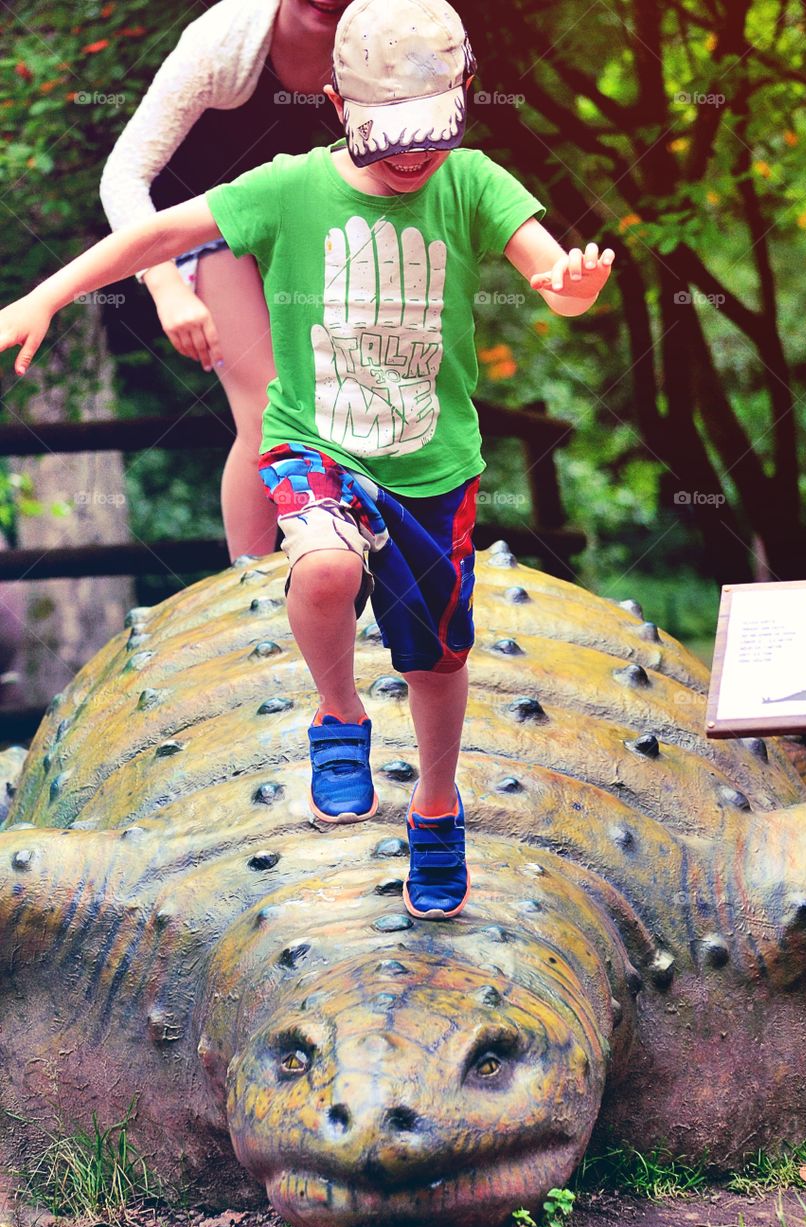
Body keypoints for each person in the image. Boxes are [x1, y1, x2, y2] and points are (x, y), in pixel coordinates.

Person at [0, 0, 614, 921]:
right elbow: (155, 231)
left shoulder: (473, 182)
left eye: (430, 134)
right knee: (323, 566)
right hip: (316, 439)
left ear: (462, 100)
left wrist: (571, 290)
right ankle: (338, 712)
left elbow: (549, 274)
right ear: (337, 103)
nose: (411, 158)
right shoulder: (287, 185)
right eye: (388, 137)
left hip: (431, 463)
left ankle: (437, 809)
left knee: (436, 665)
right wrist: (45, 296)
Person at [100, 0, 355, 561]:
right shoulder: (223, 42)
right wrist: (165, 286)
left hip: (298, 230)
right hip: (192, 229)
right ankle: (255, 580)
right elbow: (123, 176)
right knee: (268, 405)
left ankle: (347, 567)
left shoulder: (383, 43)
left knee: (346, 400)